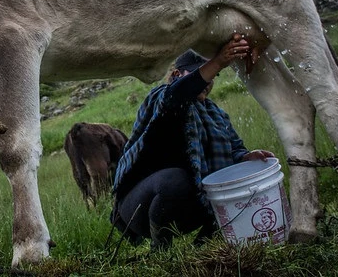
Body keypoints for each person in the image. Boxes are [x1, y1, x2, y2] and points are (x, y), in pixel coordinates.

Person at [111, 34, 275, 249]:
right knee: (176, 179)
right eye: (203, 72)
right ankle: (160, 250)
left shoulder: (215, 114)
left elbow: (234, 149)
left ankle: (200, 248)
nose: (209, 81)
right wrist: (218, 61)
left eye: (214, 75)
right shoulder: (162, 98)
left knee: (225, 190)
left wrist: (246, 157)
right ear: (177, 74)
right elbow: (176, 96)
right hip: (140, 206)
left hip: (189, 202)